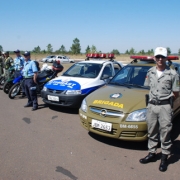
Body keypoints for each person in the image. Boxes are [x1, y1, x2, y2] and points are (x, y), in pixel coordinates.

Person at [139, 47, 180, 172]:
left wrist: (165, 101)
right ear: (155, 58)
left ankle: (164, 157)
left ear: (166, 58)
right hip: (152, 106)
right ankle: (152, 153)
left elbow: (176, 93)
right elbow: (148, 87)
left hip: (165, 106)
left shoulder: (173, 74)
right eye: (158, 57)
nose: (160, 59)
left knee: (165, 132)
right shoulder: (150, 72)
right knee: (151, 130)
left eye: (162, 57)